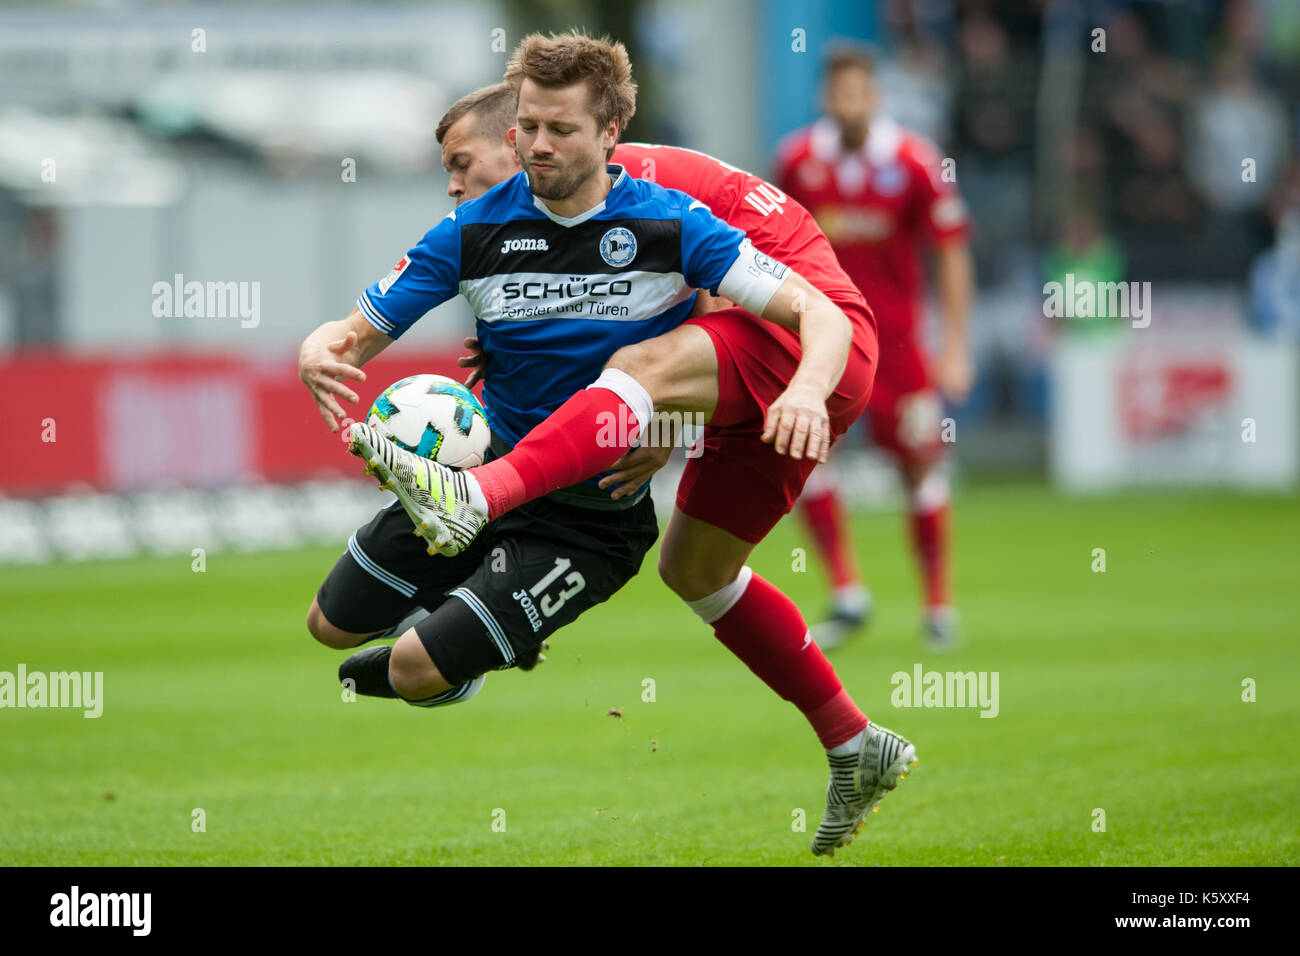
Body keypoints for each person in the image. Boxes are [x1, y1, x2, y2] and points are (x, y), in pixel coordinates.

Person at [304, 33, 915, 856]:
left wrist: (663, 421)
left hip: (810, 347)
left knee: (638, 365)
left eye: (463, 162)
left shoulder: (637, 193)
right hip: (736, 358)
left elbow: (697, 305)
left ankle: (480, 503)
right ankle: (852, 740)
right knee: (696, 572)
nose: (457, 186)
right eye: (529, 131)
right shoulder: (510, 215)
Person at [773, 43, 975, 650]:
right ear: (824, 99)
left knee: (918, 465)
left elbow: (951, 250)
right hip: (820, 343)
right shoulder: (799, 160)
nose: (849, 103)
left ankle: (938, 605)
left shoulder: (916, 161)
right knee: (808, 453)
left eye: (859, 92)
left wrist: (957, 345)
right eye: (839, 93)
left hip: (900, 349)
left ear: (876, 96)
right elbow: (772, 246)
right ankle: (847, 592)